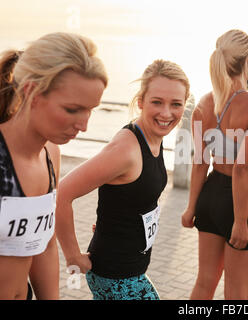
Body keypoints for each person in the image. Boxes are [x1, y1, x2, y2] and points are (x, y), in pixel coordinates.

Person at [56, 59, 190, 300]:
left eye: (176, 104)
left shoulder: (152, 138)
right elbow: (62, 194)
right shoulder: (126, 149)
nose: (166, 113)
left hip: (129, 270)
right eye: (157, 102)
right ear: (141, 101)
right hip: (116, 275)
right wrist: (73, 257)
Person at [0, 32, 107, 300]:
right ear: (31, 92)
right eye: (72, 110)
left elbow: (43, 244)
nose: (84, 125)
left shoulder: (51, 154)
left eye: (90, 110)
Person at [181, 29, 248, 300]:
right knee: (237, 292)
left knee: (204, 283)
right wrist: (241, 222)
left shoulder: (202, 105)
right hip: (243, 199)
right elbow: (243, 167)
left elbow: (199, 163)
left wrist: (191, 208)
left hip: (211, 194)